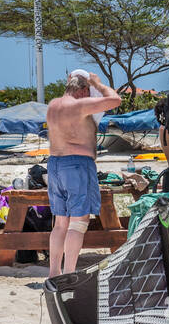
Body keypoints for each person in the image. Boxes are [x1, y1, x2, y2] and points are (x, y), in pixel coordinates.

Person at [45, 70, 123, 277]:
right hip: (77, 164)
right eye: (88, 92)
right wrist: (98, 84)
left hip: (54, 164)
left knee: (60, 222)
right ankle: (70, 272)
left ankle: (54, 272)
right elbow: (115, 100)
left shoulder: (53, 105)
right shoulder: (80, 106)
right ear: (82, 91)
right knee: (78, 223)